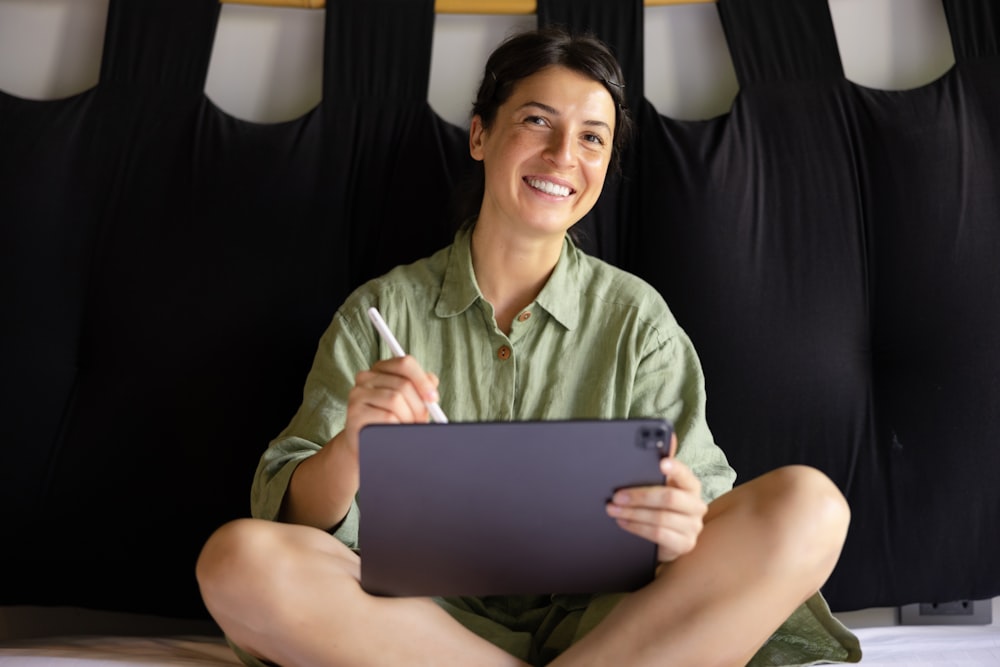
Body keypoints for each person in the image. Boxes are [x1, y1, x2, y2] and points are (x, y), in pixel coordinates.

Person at [196, 27, 860, 667]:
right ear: (481, 134)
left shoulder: (638, 321)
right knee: (235, 559)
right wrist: (351, 447)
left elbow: (708, 530)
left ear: (605, 165)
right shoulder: (382, 311)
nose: (563, 155)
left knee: (812, 506)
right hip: (419, 626)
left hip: (615, 624)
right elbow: (291, 521)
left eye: (593, 137)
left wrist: (681, 528)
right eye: (539, 121)